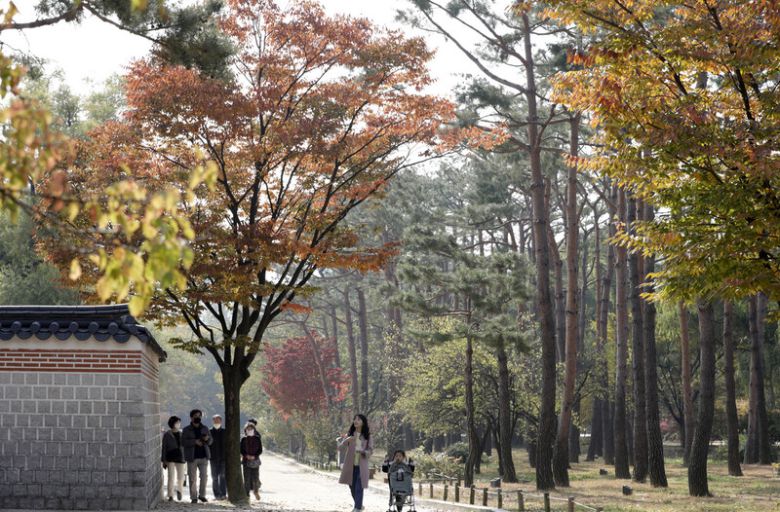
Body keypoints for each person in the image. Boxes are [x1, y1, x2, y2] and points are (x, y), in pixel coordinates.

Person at [338, 414, 373, 512]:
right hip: (350, 466)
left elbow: (370, 451)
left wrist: (363, 452)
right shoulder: (350, 435)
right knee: (352, 487)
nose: (356, 421)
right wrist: (347, 439)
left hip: (361, 467)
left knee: (359, 487)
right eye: (355, 419)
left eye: (358, 419)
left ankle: (357, 508)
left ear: (363, 422)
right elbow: (340, 448)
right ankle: (359, 505)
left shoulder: (367, 436)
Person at [182, 409, 212, 504]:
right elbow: (183, 442)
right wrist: (194, 442)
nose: (198, 417)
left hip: (204, 456)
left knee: (204, 477)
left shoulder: (205, 428)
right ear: (191, 417)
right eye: (196, 415)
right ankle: (193, 497)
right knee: (192, 478)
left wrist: (207, 439)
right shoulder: (186, 429)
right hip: (192, 457)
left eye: (199, 415)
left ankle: (202, 495)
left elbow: (211, 441)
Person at [161, 416, 186, 502]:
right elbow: (164, 447)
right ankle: (170, 495)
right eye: (177, 422)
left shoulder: (182, 433)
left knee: (181, 477)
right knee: (171, 477)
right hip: (170, 457)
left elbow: (185, 447)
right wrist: (163, 460)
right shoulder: (167, 434)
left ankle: (179, 490)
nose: (178, 424)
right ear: (172, 423)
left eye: (179, 422)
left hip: (180, 457)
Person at [240, 422, 263, 501]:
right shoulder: (243, 439)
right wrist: (246, 456)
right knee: (247, 478)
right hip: (246, 461)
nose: (249, 430)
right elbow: (241, 450)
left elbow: (260, 450)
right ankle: (247, 495)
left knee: (255, 477)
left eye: (251, 429)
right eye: (248, 429)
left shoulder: (257, 439)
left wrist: (254, 456)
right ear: (245, 430)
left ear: (254, 429)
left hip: (255, 461)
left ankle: (256, 491)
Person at [210, 414, 227, 500]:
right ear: (213, 421)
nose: (216, 422)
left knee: (223, 476)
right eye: (215, 420)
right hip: (213, 458)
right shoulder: (210, 432)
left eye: (218, 420)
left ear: (221, 421)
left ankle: (223, 494)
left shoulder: (225, 432)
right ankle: (216, 495)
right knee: (214, 477)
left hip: (223, 458)